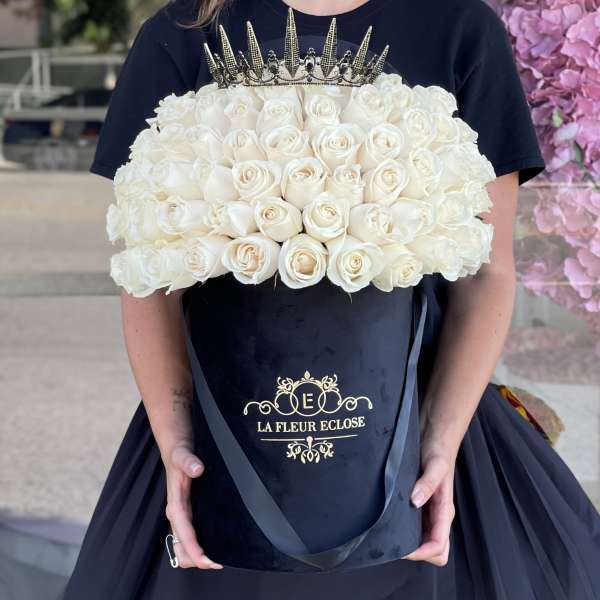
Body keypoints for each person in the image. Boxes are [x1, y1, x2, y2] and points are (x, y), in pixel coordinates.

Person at [62, 0, 600, 598]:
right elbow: (148, 275)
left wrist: (442, 442)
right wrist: (176, 441)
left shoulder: (460, 28)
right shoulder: (181, 34)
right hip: (225, 432)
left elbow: (487, 271)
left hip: (419, 418)